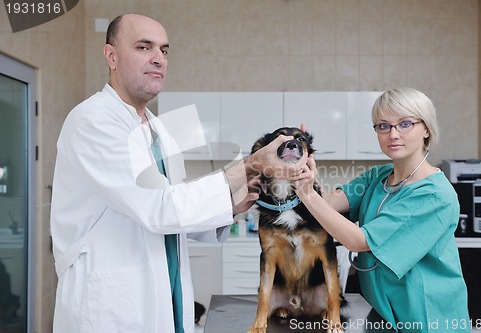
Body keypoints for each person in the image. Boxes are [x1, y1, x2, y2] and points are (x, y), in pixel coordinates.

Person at [50, 13, 304, 333]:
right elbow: (160, 208)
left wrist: (232, 203)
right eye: (144, 47)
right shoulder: (94, 121)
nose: (158, 59)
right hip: (111, 304)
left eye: (165, 51)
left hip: (162, 293)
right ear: (111, 56)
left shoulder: (159, 130)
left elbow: (178, 210)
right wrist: (250, 164)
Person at [293, 88, 470, 332]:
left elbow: (359, 240)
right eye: (383, 126)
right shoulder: (378, 176)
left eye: (405, 124)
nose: (393, 134)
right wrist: (305, 169)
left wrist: (307, 193)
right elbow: (329, 203)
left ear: (426, 129)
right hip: (384, 313)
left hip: (427, 318)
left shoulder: (434, 195)